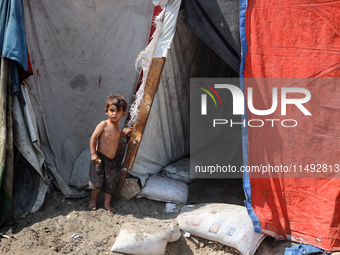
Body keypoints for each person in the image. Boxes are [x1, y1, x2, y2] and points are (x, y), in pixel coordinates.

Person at [88, 94, 132, 214]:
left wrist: (125, 133)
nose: (114, 114)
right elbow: (93, 138)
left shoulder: (118, 125)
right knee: (96, 182)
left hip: (111, 161)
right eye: (112, 110)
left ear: (123, 113)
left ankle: (107, 204)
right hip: (100, 158)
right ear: (106, 111)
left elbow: (117, 135)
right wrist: (93, 154)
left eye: (118, 111)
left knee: (110, 183)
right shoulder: (104, 124)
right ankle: (93, 200)